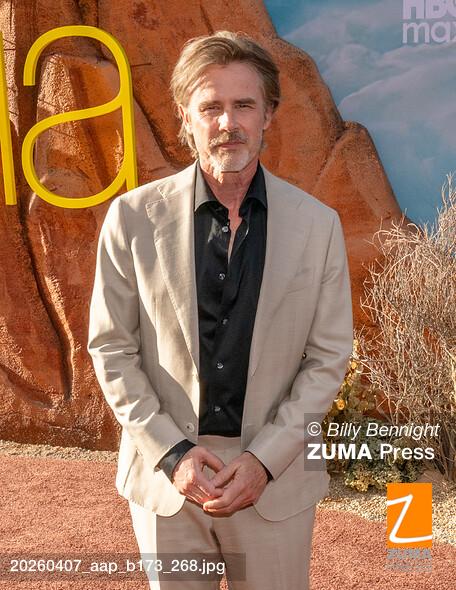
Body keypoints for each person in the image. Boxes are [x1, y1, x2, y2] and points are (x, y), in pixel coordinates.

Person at [87, 30, 353, 590]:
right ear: (186, 116)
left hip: (274, 481)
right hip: (167, 479)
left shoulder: (318, 225)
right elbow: (112, 348)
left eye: (244, 105)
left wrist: (264, 460)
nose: (228, 123)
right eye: (210, 106)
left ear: (269, 114)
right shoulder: (131, 218)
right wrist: (173, 454)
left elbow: (328, 357)